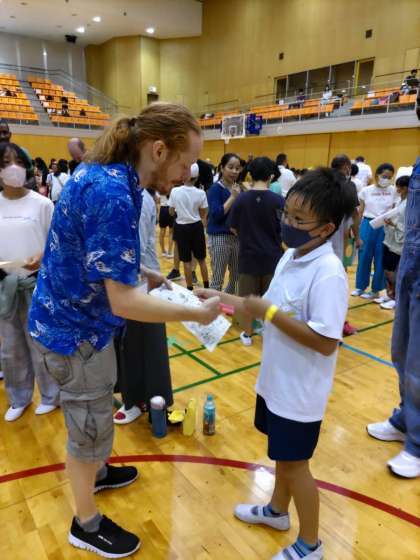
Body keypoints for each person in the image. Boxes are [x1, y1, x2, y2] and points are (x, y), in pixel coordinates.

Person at [28, 103, 221, 558]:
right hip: (76, 334)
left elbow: (100, 258)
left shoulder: (112, 178)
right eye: (186, 162)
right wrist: (195, 315)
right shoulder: (113, 192)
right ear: (159, 150)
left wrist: (145, 274)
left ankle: (97, 472)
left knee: (95, 415)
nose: (189, 174)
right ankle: (86, 523)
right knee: (87, 427)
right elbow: (124, 302)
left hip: (79, 324)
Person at [197, 167, 352, 560]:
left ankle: (310, 545)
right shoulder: (290, 258)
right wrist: (217, 297)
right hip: (276, 383)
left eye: (300, 220)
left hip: (300, 394)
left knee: (297, 466)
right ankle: (277, 512)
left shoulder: (328, 273)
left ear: (326, 228)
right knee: (283, 457)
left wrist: (269, 314)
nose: (288, 224)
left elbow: (325, 342)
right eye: (288, 215)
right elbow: (260, 306)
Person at [367, 159, 420, 479]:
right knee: (401, 352)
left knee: (418, 366)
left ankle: (418, 441)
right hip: (410, 268)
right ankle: (406, 420)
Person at [0, 142, 59, 422]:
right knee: (11, 347)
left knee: (42, 345)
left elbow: (58, 244)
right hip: (5, 287)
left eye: (19, 162)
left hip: (37, 285)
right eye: (5, 163)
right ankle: (19, 396)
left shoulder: (42, 204)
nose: (13, 168)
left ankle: (51, 395)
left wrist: (43, 256)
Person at [113, 187, 173, 425]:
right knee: (132, 344)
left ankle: (141, 401)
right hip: (136, 281)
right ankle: (138, 399)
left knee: (142, 346)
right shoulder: (128, 194)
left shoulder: (139, 199)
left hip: (140, 284)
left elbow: (132, 252)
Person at [229, 157, 284, 346]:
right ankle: (267, 331)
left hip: (248, 257)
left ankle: (247, 333)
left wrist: (248, 235)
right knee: (270, 299)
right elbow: (283, 228)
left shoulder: (241, 199)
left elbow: (233, 228)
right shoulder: (279, 200)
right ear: (271, 176)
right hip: (272, 258)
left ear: (251, 175)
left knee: (247, 299)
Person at [352, 163, 398, 299]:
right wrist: (356, 230)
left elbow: (395, 210)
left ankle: (376, 290)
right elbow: (360, 211)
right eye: (384, 176)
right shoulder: (366, 190)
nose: (386, 179)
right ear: (377, 175)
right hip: (368, 224)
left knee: (380, 258)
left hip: (385, 226)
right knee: (364, 256)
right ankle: (360, 286)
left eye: (389, 177)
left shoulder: (394, 191)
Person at [330, 155, 361, 336]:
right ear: (347, 167)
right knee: (338, 286)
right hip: (336, 245)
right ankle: (339, 323)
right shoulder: (348, 186)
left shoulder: (320, 182)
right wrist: (358, 237)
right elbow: (355, 215)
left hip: (315, 243)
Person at [169, 163, 209, 291]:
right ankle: (207, 287)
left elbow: (171, 212)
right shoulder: (201, 193)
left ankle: (190, 289)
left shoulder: (175, 191)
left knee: (186, 261)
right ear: (196, 178)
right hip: (196, 227)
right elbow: (204, 213)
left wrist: (179, 210)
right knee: (201, 260)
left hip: (181, 227)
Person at [207, 153, 241, 293]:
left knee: (236, 277)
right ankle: (212, 306)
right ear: (222, 168)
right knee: (217, 279)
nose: (234, 171)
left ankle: (227, 302)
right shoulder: (215, 189)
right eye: (230, 167)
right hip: (219, 237)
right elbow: (216, 215)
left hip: (236, 238)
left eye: (237, 168)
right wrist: (233, 197)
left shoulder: (238, 188)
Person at [373, 175, 409, 310]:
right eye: (397, 186)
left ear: (407, 188)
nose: (398, 189)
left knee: (395, 271)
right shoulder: (399, 200)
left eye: (401, 187)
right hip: (389, 239)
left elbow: (409, 225)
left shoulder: (411, 204)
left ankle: (396, 298)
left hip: (399, 243)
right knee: (387, 269)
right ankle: (390, 293)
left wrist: (394, 225)